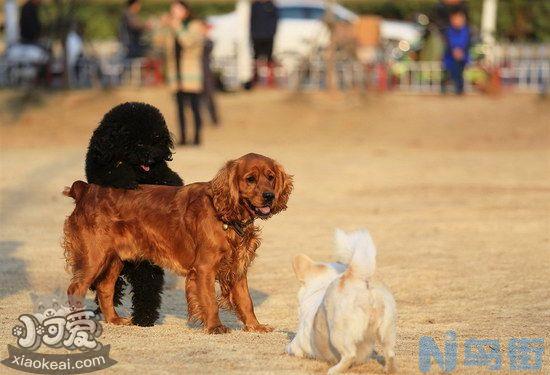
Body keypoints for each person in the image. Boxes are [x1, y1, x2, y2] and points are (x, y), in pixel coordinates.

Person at [165, 1, 205, 146]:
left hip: (190, 72)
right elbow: (159, 43)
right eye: (173, 9)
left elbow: (187, 42)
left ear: (185, 10)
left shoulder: (195, 25)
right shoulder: (172, 27)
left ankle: (196, 137)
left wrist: (176, 26)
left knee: (194, 107)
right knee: (179, 108)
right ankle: (182, 137)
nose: (174, 11)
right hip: (176, 73)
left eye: (177, 8)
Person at [250, 0, 278, 87]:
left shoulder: (271, 5)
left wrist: (272, 32)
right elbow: (252, 20)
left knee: (269, 58)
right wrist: (253, 33)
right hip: (257, 36)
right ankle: (255, 79)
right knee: (256, 58)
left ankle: (270, 81)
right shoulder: (255, 5)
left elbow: (275, 20)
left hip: (268, 36)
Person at [441, 10, 470, 95]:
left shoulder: (466, 31)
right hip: (450, 57)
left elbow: (466, 43)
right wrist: (454, 50)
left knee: (459, 75)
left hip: (462, 57)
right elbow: (448, 43)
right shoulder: (448, 31)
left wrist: (461, 52)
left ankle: (459, 90)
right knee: (447, 73)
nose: (457, 21)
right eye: (455, 19)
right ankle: (444, 90)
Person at [200, 19, 219, 126]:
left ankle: (214, 119)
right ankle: (200, 119)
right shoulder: (199, 40)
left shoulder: (208, 41)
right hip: (198, 72)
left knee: (210, 97)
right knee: (198, 99)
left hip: (206, 72)